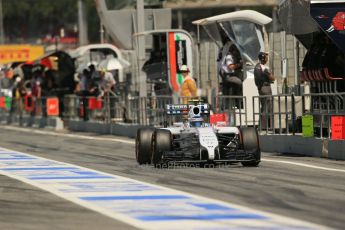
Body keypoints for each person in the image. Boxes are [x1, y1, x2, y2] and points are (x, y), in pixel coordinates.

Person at [254, 52, 275, 127]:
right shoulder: (263, 68)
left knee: (263, 107)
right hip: (266, 88)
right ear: (263, 59)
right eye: (266, 58)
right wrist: (272, 77)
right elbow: (272, 78)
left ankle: (262, 125)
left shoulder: (256, 66)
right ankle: (264, 127)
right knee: (268, 107)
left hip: (260, 89)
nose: (267, 59)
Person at [219, 44, 243, 109]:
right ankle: (239, 101)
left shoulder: (231, 56)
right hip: (227, 76)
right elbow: (231, 66)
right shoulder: (229, 56)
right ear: (233, 50)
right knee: (240, 82)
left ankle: (237, 101)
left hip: (229, 75)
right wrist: (239, 64)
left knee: (237, 83)